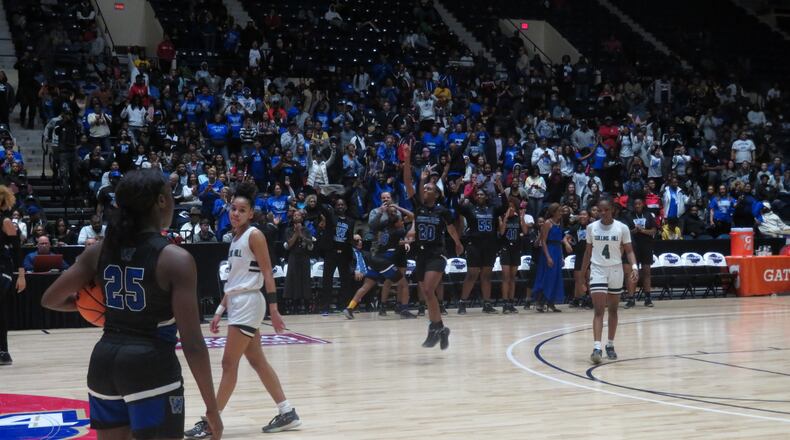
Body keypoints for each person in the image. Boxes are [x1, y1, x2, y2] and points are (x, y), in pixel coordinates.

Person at [40, 169, 222, 439]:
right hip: (150, 365)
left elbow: (50, 299)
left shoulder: (98, 250)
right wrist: (212, 409)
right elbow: (193, 345)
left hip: (103, 362)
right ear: (161, 201)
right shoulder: (176, 259)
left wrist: (101, 307)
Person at [185, 182, 300, 438]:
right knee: (257, 360)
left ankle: (211, 419)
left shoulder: (254, 235)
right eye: (233, 208)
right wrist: (218, 310)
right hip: (237, 302)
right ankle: (287, 411)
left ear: (251, 213)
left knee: (228, 363)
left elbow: (268, 273)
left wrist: (274, 309)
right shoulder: (235, 237)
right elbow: (234, 281)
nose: (235, 213)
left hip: (250, 303)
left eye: (242, 210)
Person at [403, 142, 463, 350]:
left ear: (436, 194)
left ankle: (435, 327)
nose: (425, 189)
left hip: (437, 254)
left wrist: (457, 243)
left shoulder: (442, 211)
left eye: (429, 188)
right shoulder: (418, 208)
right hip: (421, 254)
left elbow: (451, 229)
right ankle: (439, 327)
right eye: (425, 187)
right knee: (428, 294)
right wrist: (408, 158)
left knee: (428, 289)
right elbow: (408, 182)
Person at [580, 199, 638, 364]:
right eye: (600, 210)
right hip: (598, 269)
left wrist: (635, 267)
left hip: (616, 270)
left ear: (612, 209)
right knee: (599, 310)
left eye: (606, 210)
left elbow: (629, 251)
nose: (602, 213)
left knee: (613, 310)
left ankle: (610, 344)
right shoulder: (591, 227)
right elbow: (587, 252)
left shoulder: (622, 228)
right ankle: (597, 347)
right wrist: (582, 273)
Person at [343, 207, 416, 319]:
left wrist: (382, 211)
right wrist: (413, 222)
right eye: (401, 221)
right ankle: (404, 310)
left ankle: (349, 308)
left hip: (375, 258)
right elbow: (412, 220)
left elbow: (373, 224)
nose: (402, 222)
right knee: (404, 284)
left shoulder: (383, 228)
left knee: (366, 286)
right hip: (385, 261)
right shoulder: (399, 231)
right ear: (396, 224)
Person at [458, 189, 502, 314]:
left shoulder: (492, 209)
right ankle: (462, 302)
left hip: (490, 246)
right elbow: (458, 208)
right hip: (474, 245)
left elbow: (504, 206)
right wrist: (463, 196)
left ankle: (487, 304)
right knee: (472, 274)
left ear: (486, 197)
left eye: (482, 194)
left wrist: (501, 189)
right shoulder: (470, 208)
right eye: (477, 194)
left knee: (486, 276)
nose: (479, 196)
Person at [0, 185, 25, 365]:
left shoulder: (6, 221)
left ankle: (3, 351)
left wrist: (21, 275)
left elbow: (17, 249)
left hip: (2, 269)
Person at [532, 203, 567, 313]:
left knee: (556, 277)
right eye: (559, 211)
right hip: (549, 250)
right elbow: (543, 241)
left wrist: (561, 257)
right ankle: (540, 302)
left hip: (557, 250)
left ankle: (551, 302)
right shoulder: (548, 223)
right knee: (547, 277)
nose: (561, 213)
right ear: (553, 212)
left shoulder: (560, 223)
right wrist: (548, 257)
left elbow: (560, 241)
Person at [498, 197, 530, 313]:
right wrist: (506, 217)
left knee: (513, 278)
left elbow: (525, 231)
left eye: (512, 207)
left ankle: (511, 302)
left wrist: (522, 217)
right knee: (506, 277)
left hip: (516, 249)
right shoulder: (502, 218)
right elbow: (501, 232)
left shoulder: (518, 219)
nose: (510, 209)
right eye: (508, 207)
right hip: (505, 249)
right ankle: (505, 302)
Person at [623, 198, 657, 308]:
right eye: (635, 204)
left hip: (646, 246)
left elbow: (653, 231)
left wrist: (642, 230)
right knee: (633, 272)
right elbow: (626, 232)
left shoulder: (648, 215)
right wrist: (634, 231)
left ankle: (648, 298)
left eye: (639, 204)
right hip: (633, 246)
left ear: (643, 204)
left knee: (646, 272)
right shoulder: (628, 216)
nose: (637, 205)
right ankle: (631, 298)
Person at [567, 209, 592, 308]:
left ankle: (590, 299)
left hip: (591, 255)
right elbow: (565, 238)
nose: (582, 216)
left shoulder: (592, 227)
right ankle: (578, 298)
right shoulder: (575, 227)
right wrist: (567, 244)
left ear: (588, 217)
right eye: (580, 214)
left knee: (589, 278)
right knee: (578, 278)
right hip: (579, 254)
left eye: (584, 214)